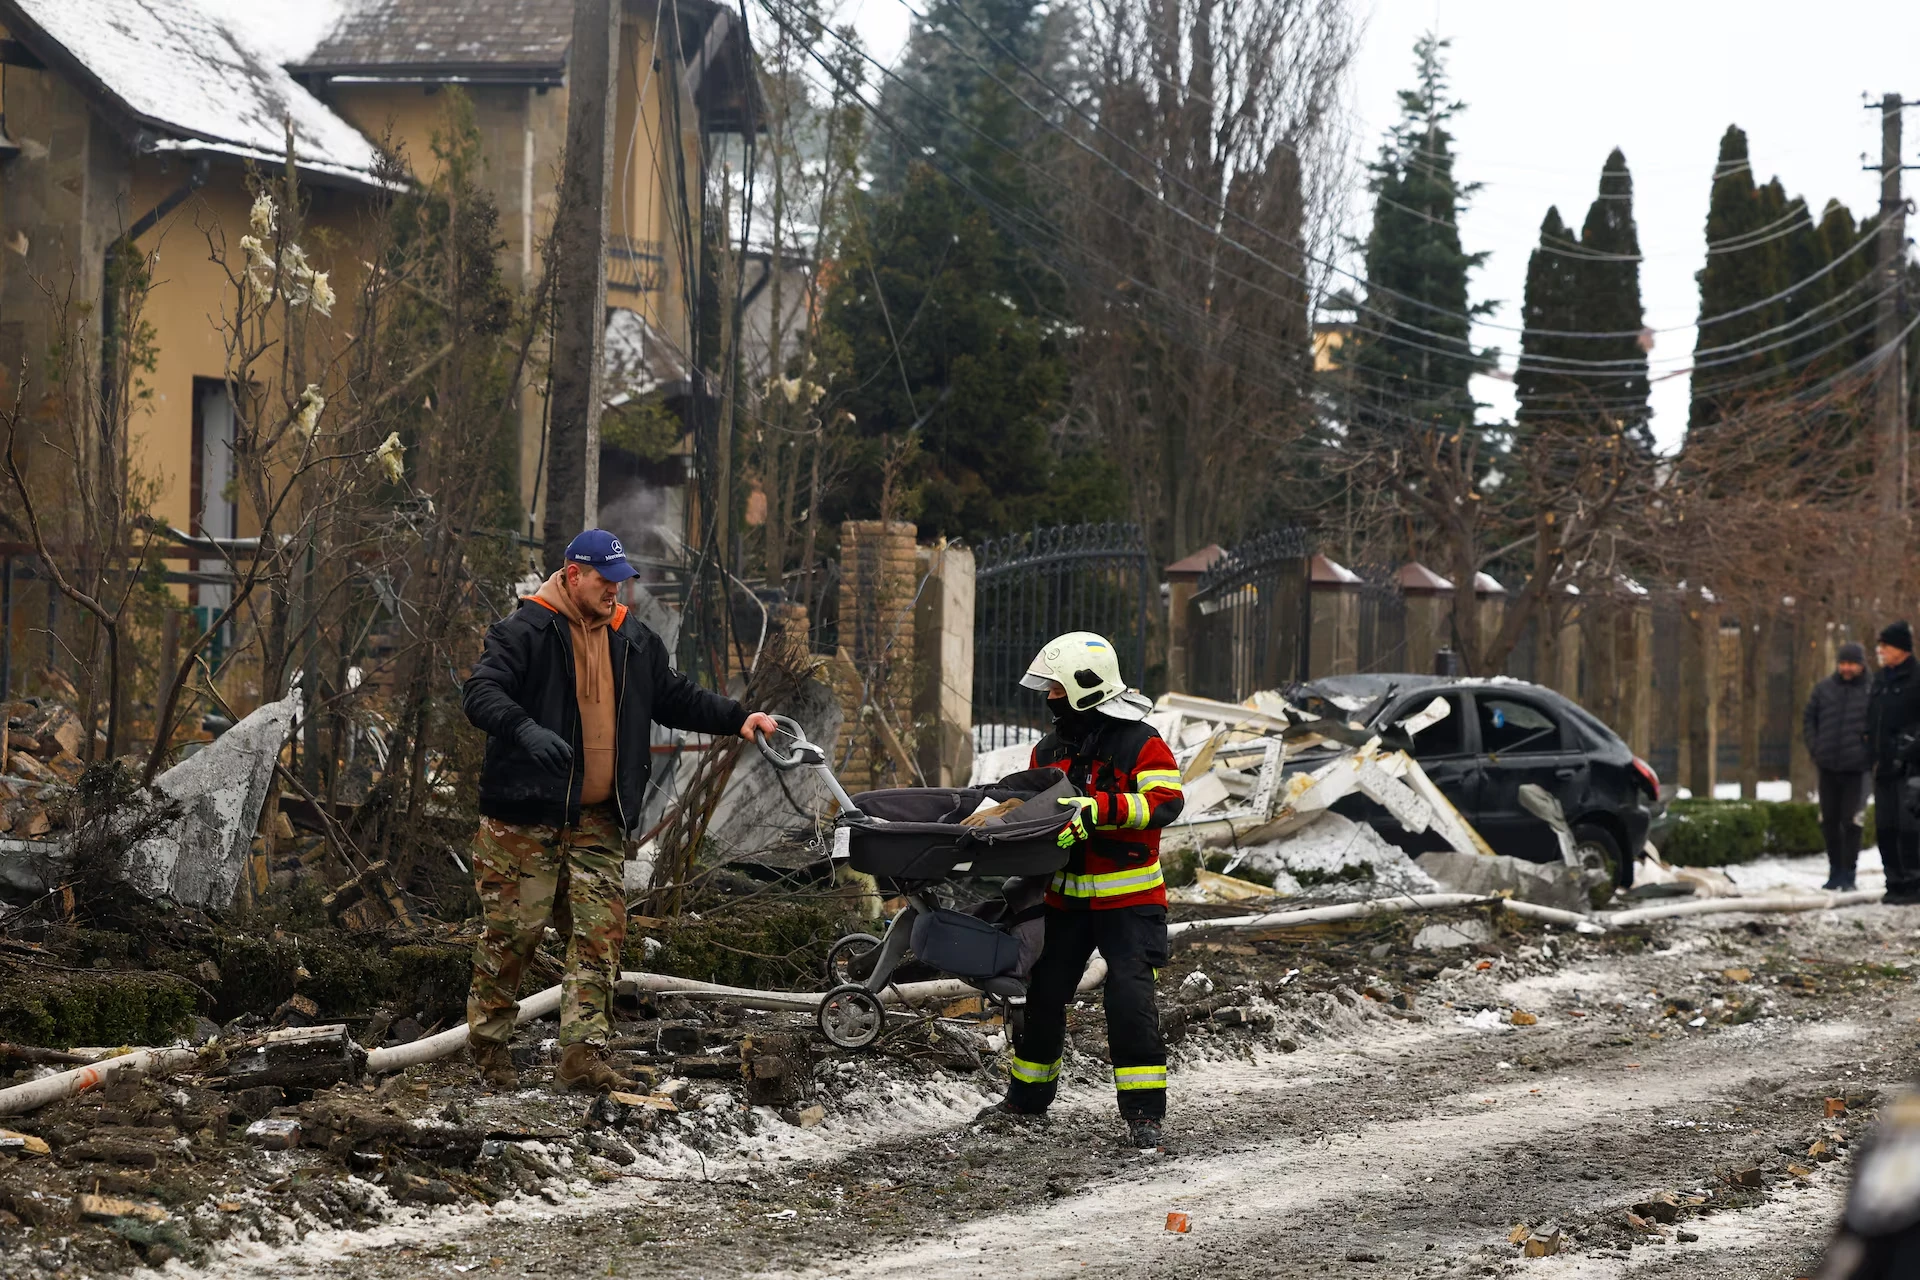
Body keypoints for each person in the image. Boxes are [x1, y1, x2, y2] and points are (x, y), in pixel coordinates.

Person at [459, 529, 777, 1091]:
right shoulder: (523, 631)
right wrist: (525, 730)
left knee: (599, 935)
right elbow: (481, 693)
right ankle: (489, 1052)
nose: (615, 590)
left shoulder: (633, 639)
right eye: (605, 580)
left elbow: (676, 697)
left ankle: (582, 1057)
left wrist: (738, 718)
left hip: (599, 818)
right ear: (573, 574)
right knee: (514, 935)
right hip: (523, 818)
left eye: (620, 580)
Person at [981, 631, 1184, 1149]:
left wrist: (1102, 810)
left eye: (1055, 687)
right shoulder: (1048, 749)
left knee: (1128, 997)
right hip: (1066, 901)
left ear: (1083, 687)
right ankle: (1026, 1100)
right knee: (1044, 993)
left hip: (1131, 902)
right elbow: (1035, 809)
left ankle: (1143, 1115)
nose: (1048, 697)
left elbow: (1165, 801)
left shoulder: (1142, 742)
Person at [1805, 641, 1873, 891]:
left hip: (1857, 768)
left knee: (1852, 821)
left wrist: (1868, 752)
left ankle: (1849, 873)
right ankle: (1834, 871)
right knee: (1829, 820)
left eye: (1851, 663)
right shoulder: (1824, 689)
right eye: (1843, 663)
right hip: (1828, 766)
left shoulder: (1872, 691)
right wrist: (1815, 747)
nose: (1846, 668)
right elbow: (1809, 718)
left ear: (1861, 665)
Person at [1868, 621, 1920, 905]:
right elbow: (1872, 718)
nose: (1881, 651)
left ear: (1901, 649)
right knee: (1885, 826)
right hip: (1884, 765)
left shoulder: (1917, 678)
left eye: (1885, 646)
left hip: (1911, 767)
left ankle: (1914, 881)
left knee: (1908, 826)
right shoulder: (1880, 680)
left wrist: (1910, 748)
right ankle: (1895, 881)